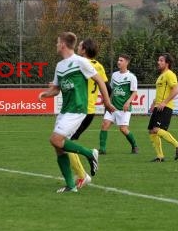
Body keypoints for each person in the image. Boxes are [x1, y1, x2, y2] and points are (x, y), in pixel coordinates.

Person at [38, 32, 114, 193]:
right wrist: (46, 94)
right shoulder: (60, 66)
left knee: (56, 139)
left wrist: (107, 102)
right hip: (65, 109)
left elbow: (100, 80)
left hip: (78, 108)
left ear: (64, 45)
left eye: (58, 42)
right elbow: (57, 90)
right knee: (58, 147)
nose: (56, 45)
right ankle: (71, 186)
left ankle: (90, 153)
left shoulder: (81, 62)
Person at [68, 38, 109, 189]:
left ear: (84, 50)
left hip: (81, 109)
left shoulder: (80, 63)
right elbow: (106, 85)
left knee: (63, 142)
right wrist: (108, 102)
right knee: (64, 141)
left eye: (79, 46)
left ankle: (84, 170)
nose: (77, 47)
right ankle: (82, 174)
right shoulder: (99, 66)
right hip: (89, 111)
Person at [148, 53, 178, 162]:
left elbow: (175, 90)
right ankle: (160, 156)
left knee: (156, 129)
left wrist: (164, 103)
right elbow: (160, 92)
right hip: (158, 106)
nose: (158, 62)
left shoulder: (170, 74)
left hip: (165, 107)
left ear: (167, 63)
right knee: (151, 131)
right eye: (158, 60)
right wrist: (153, 103)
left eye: (161, 61)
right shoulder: (161, 76)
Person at [99, 54, 139, 154]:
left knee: (123, 129)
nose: (118, 62)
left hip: (124, 108)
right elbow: (111, 90)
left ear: (126, 62)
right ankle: (102, 149)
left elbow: (134, 92)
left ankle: (134, 145)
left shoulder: (131, 77)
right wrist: (107, 102)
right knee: (105, 124)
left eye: (121, 60)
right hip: (113, 107)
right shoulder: (114, 75)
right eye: (118, 60)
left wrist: (128, 102)